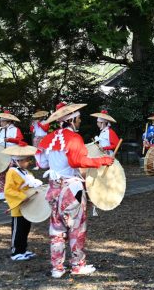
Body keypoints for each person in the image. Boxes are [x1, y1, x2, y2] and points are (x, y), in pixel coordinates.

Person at [36, 102, 114, 278]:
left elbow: (41, 163)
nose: (80, 121)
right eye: (78, 119)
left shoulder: (49, 138)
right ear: (71, 120)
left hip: (54, 187)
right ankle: (78, 265)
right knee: (76, 228)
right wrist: (101, 161)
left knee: (56, 229)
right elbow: (77, 161)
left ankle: (57, 268)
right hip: (71, 189)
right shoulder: (74, 138)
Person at [2, 142, 43, 261]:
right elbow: (9, 190)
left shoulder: (26, 172)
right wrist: (22, 196)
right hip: (19, 203)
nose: (28, 162)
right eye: (26, 160)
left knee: (25, 228)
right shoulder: (12, 172)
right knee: (18, 229)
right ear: (18, 161)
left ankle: (23, 250)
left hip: (27, 203)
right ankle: (16, 251)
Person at [90, 109, 120, 216]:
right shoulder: (102, 132)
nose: (97, 124)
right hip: (101, 157)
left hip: (108, 157)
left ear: (103, 122)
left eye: (98, 122)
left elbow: (115, 144)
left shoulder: (110, 132)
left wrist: (105, 147)